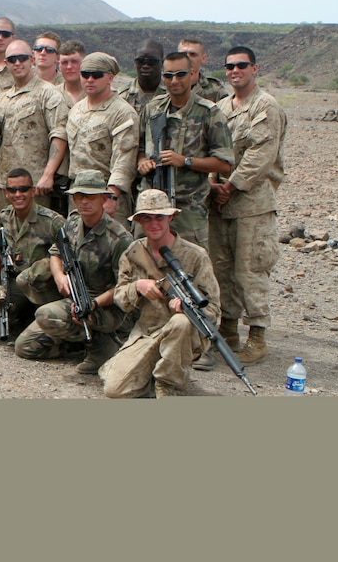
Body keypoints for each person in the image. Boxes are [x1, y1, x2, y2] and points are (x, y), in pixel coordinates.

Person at [207, 47, 287, 367]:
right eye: (229, 66)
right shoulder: (222, 107)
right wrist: (213, 184)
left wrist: (231, 185)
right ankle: (227, 330)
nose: (234, 71)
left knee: (250, 269)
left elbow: (260, 155)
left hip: (252, 203)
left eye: (241, 65)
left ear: (255, 68)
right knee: (222, 268)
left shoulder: (265, 106)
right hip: (221, 203)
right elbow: (212, 147)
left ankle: (257, 336)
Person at [100, 189, 219, 397]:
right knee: (114, 390)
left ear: (170, 217)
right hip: (148, 332)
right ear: (139, 221)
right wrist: (138, 287)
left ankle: (168, 385)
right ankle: (153, 370)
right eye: (147, 218)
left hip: (186, 335)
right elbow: (120, 297)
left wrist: (185, 310)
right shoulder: (134, 252)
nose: (154, 224)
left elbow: (214, 309)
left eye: (159, 217)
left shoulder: (195, 256)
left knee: (180, 323)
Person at [14, 170, 133, 374]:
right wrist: (60, 276)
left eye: (91, 196)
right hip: (75, 297)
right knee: (25, 347)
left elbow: (124, 287)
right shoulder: (73, 223)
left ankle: (101, 343)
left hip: (105, 306)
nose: (84, 201)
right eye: (79, 196)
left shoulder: (119, 239)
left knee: (45, 315)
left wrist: (94, 304)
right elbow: (56, 253)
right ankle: (75, 342)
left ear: (104, 198)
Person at [137, 51, 233, 247]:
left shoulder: (209, 112)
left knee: (191, 267)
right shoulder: (152, 109)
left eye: (180, 74)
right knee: (145, 264)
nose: (174, 81)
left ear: (192, 74)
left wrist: (186, 161)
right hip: (151, 205)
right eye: (168, 75)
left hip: (188, 208)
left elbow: (224, 163)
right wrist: (142, 162)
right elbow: (139, 147)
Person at [0, 39, 70, 235]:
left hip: (34, 184)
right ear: (6, 64)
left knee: (37, 239)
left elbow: (60, 134)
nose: (17, 63)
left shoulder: (48, 93)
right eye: (12, 60)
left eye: (22, 58)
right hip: (2, 182)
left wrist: (48, 175)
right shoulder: (2, 99)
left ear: (32, 60)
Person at [0, 168, 65, 336]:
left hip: (44, 287)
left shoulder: (52, 222)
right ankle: (19, 317)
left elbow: (67, 255)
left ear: (33, 191)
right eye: (12, 190)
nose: (17, 194)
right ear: (6, 193)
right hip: (14, 282)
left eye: (23, 189)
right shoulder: (4, 217)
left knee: (46, 327)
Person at [64, 52, 140, 219]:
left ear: (110, 78)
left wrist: (112, 195)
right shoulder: (76, 110)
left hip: (105, 193)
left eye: (97, 75)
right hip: (78, 193)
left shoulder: (122, 112)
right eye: (85, 74)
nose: (90, 79)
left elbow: (124, 159)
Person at [119, 39, 165, 115]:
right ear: (135, 62)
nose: (145, 65)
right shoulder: (122, 97)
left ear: (162, 63)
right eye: (140, 61)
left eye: (152, 61)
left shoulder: (172, 94)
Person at [178, 37, 229, 103]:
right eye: (183, 54)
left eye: (193, 54)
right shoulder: (167, 88)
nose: (188, 58)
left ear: (203, 58)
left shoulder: (216, 91)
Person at [57, 39, 86, 106]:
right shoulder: (51, 95)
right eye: (64, 62)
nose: (69, 67)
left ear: (84, 62)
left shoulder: (97, 94)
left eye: (74, 61)